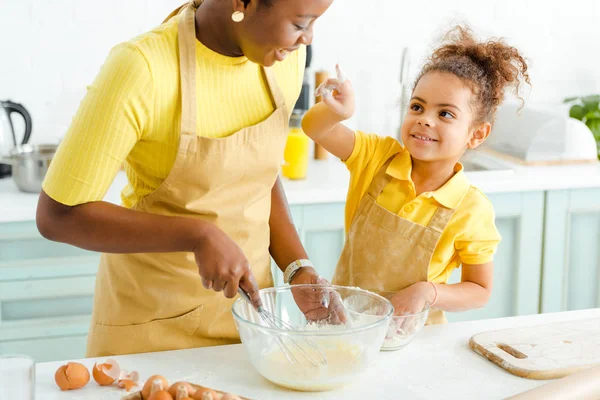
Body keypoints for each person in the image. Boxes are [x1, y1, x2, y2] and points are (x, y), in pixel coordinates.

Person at [36, 0, 338, 357]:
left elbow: (257, 173)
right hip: (153, 333)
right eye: (302, 23)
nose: (308, 38)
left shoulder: (281, 59)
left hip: (250, 329)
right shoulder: (142, 68)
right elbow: (58, 216)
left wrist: (298, 269)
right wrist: (197, 235)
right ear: (242, 3)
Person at [301, 26, 530, 324]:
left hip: (417, 338)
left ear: (476, 134)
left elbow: (480, 290)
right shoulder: (376, 157)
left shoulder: (471, 209)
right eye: (417, 107)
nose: (424, 120)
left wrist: (429, 292)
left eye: (445, 114)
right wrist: (338, 113)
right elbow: (314, 128)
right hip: (348, 326)